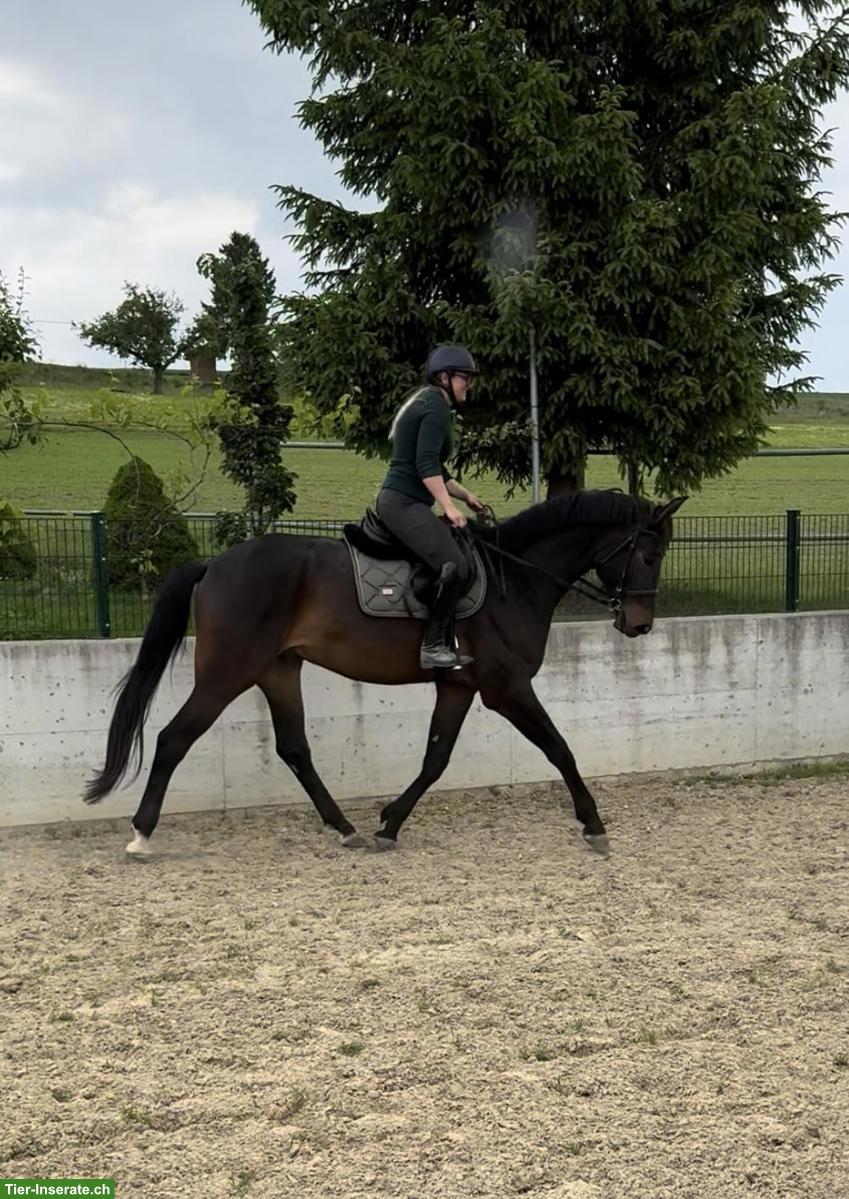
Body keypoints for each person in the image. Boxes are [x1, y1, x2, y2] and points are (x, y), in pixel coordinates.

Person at [375, 344, 486, 670]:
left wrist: (466, 496)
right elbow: (426, 467)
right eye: (464, 377)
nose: (468, 384)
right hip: (403, 503)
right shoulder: (435, 408)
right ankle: (433, 646)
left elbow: (436, 468)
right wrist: (448, 508)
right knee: (454, 564)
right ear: (444, 377)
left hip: (404, 500)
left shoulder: (427, 402)